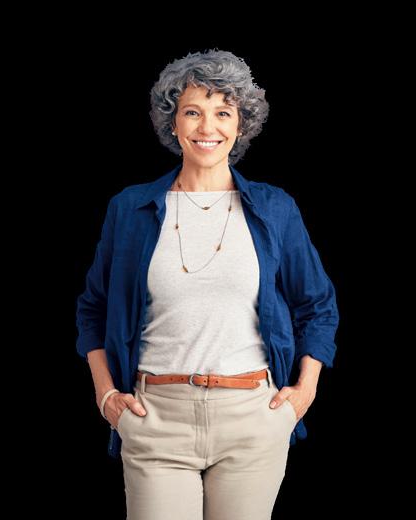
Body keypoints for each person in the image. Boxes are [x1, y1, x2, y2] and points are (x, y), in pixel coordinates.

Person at [75, 48, 339, 520]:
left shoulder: (274, 209)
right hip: (156, 417)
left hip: (251, 417)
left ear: (241, 125)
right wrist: (106, 394)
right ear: (173, 122)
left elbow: (317, 305)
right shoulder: (130, 209)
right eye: (193, 112)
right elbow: (93, 307)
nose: (207, 127)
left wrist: (303, 393)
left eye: (223, 112)